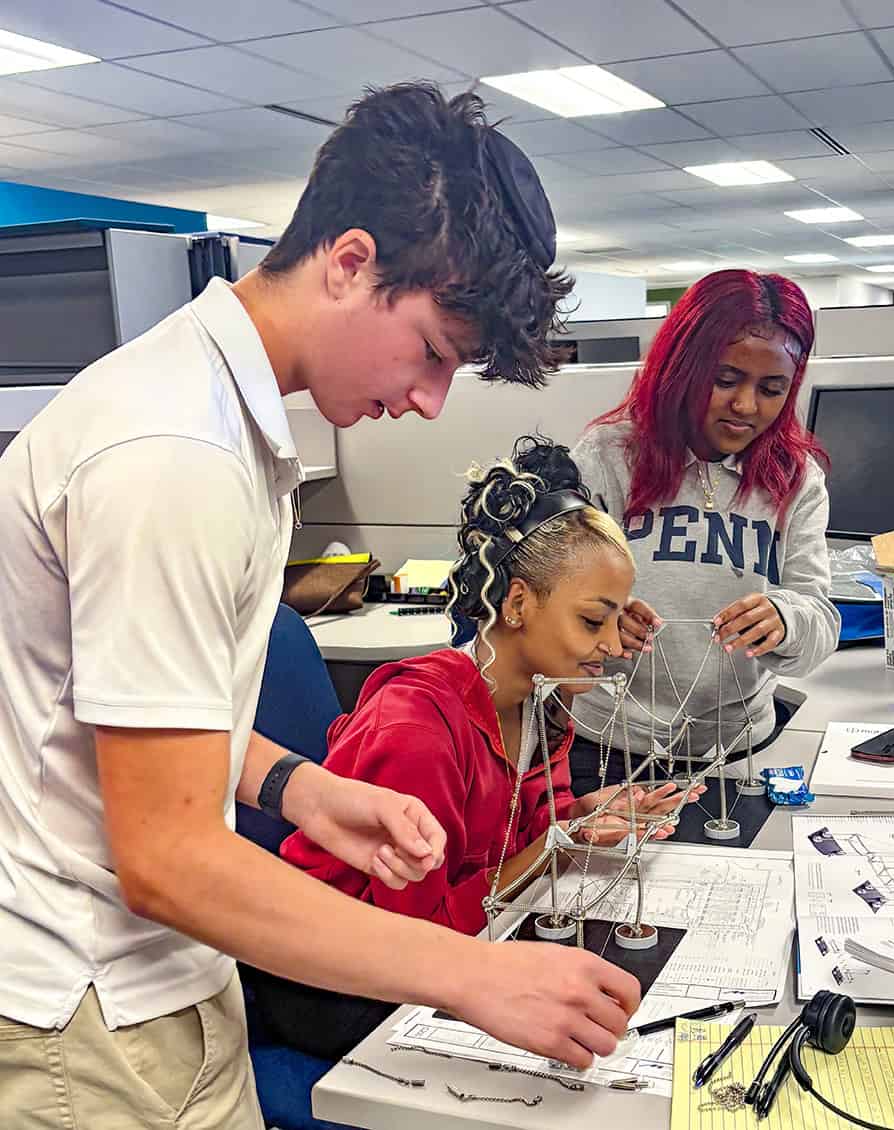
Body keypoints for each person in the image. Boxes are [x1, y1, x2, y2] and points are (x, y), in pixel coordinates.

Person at [0, 84, 639, 1129]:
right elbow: (165, 855)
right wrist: (470, 973)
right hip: (88, 1009)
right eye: (434, 350)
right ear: (349, 261)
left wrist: (297, 787)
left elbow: (132, 706)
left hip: (160, 977)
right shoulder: (172, 452)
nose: (431, 400)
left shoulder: (217, 421)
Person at [247, 437, 702, 1059]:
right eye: (594, 621)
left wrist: (583, 820)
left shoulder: (543, 703)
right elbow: (412, 938)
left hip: (445, 942)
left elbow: (522, 838)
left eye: (618, 621)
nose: (611, 643)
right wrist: (555, 849)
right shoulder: (419, 729)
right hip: (338, 981)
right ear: (517, 603)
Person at [569, 270, 840, 794]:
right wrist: (599, 620)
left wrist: (786, 617)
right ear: (682, 368)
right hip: (607, 748)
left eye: (771, 389)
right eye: (725, 379)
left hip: (740, 753)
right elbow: (550, 603)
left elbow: (819, 619)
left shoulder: (796, 478)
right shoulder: (608, 457)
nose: (746, 406)